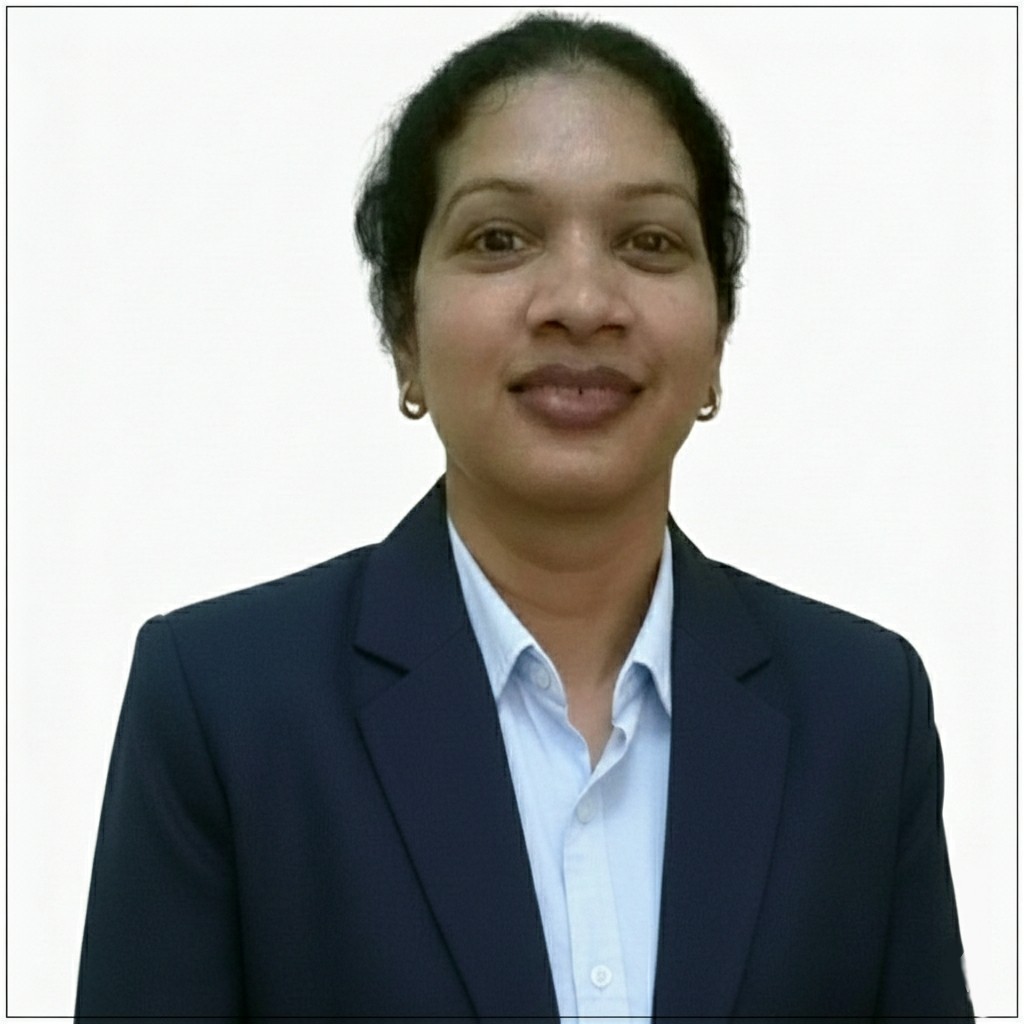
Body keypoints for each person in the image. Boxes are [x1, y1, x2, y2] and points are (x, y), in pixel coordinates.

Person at [74, 12, 972, 1021]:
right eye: (499, 239)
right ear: (403, 331)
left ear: (718, 337)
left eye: (649, 241)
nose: (581, 300)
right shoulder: (223, 705)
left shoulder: (861, 712)